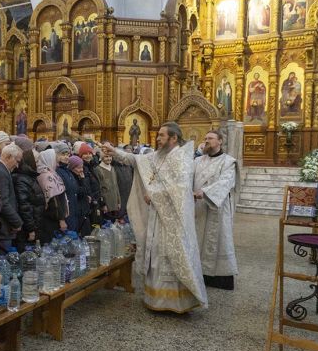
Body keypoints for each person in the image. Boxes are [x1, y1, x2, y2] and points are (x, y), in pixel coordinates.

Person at [103, 121, 208, 313]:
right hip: (157, 215)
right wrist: (114, 151)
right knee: (157, 254)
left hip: (173, 219)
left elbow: (181, 188)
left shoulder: (181, 158)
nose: (157, 139)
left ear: (173, 138)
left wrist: (154, 195)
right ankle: (157, 298)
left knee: (170, 255)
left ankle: (177, 302)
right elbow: (135, 160)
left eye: (161, 135)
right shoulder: (158, 156)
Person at [193, 130, 238, 290]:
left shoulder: (228, 162)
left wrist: (205, 192)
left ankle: (220, 279)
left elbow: (226, 182)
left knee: (218, 240)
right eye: (205, 138)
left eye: (210, 138)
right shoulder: (197, 161)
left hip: (217, 208)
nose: (206, 141)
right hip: (198, 208)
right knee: (198, 239)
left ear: (220, 141)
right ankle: (200, 274)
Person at [0, 143, 23, 251]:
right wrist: (17, 222)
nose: (17, 166)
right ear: (8, 157)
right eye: (17, 161)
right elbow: (3, 202)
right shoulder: (0, 173)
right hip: (3, 227)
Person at [13, 148, 45, 250]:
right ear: (30, 161)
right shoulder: (22, 179)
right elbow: (24, 206)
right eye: (36, 161)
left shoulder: (30, 176)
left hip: (35, 223)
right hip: (26, 229)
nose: (38, 163)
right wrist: (31, 229)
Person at [36, 149, 69, 243]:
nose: (57, 163)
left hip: (54, 217)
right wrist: (61, 219)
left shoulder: (51, 173)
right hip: (52, 218)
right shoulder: (46, 176)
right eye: (55, 160)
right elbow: (54, 200)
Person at [56, 142, 79, 231]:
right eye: (63, 154)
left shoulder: (67, 171)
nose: (66, 157)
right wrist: (61, 219)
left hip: (72, 211)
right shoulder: (58, 171)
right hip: (65, 214)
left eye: (68, 154)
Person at [95, 151, 121, 220]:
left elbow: (116, 186)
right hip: (106, 204)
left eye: (110, 156)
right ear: (102, 157)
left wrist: (118, 201)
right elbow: (99, 188)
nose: (109, 158)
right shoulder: (98, 169)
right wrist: (103, 204)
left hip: (115, 203)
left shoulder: (112, 168)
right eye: (106, 156)